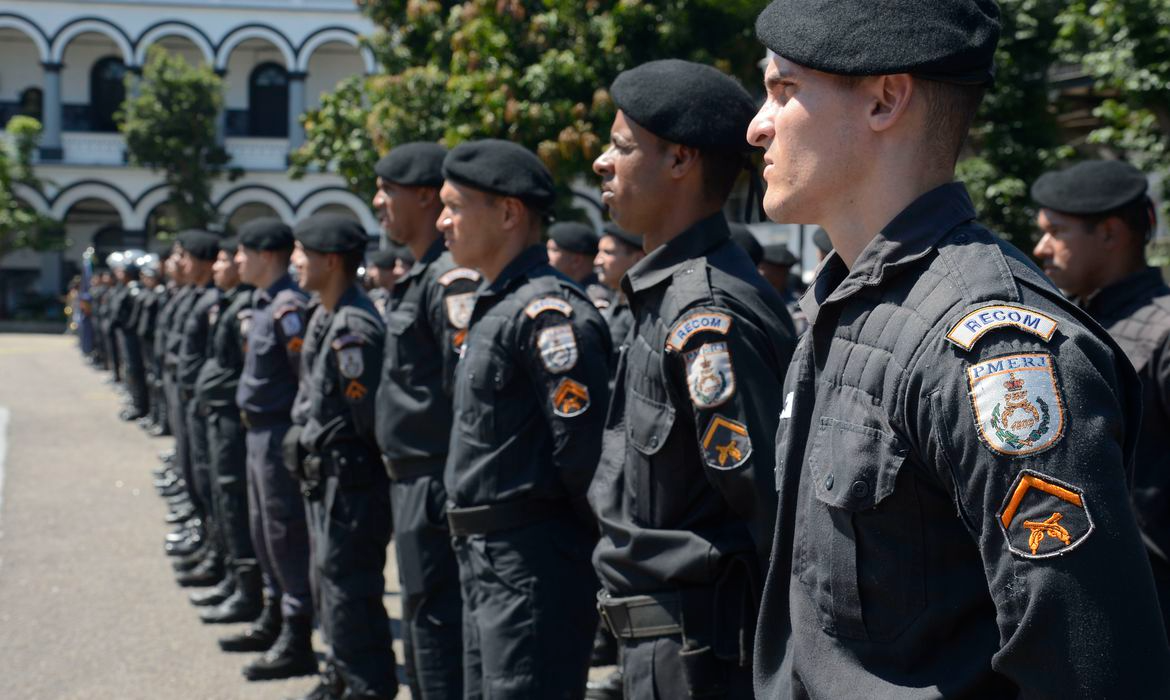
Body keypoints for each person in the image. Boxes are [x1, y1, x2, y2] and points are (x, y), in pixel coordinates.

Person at [748, 1, 1170, 696]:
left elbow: (1088, 669)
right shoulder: (841, 306)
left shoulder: (992, 345)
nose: (757, 126)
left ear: (885, 99)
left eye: (783, 90)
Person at [588, 59, 796, 700]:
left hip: (703, 659)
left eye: (621, 147)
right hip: (668, 648)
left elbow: (773, 514)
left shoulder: (706, 313)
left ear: (679, 160)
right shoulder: (670, 293)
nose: (601, 161)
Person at [438, 139, 612, 699]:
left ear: (509, 213)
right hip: (486, 558)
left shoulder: (549, 316)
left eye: (454, 206)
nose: (442, 221)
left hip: (530, 565)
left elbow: (582, 456)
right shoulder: (497, 303)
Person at [1032, 158, 1170, 634]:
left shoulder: (1162, 332)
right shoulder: (1070, 324)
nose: (1041, 248)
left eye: (1056, 231)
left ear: (1110, 234)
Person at [372, 142, 476, 699]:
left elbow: (465, 393)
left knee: (437, 622)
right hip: (412, 475)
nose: (377, 202)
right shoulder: (422, 274)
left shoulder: (449, 280)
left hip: (436, 478)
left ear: (422, 195)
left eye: (387, 191)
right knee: (420, 617)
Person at [286, 214, 397, 700]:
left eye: (301, 252)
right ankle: (344, 671)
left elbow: (367, 418)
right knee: (330, 582)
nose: (294, 261)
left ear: (330, 261)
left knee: (351, 586)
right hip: (327, 478)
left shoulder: (354, 326)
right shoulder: (326, 313)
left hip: (353, 483)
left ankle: (367, 685)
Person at [230, 218, 317, 680]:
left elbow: (306, 376)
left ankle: (297, 631)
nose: (237, 259)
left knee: (285, 535)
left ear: (266, 255)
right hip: (256, 431)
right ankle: (275, 613)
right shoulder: (264, 302)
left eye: (243, 251)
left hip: (278, 434)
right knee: (263, 532)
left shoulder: (289, 307)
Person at [194, 237, 262, 625]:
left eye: (230, 258)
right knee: (220, 494)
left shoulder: (247, 308)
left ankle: (248, 590)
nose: (226, 264)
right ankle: (234, 575)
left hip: (235, 421)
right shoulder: (232, 304)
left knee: (235, 500)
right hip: (218, 415)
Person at [176, 233, 225, 589]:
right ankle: (208, 539)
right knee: (195, 472)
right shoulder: (198, 296)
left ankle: (218, 554)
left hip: (205, 401)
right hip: (191, 395)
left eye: (186, 256)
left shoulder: (213, 302)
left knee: (212, 482)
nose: (179, 262)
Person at [594, 223, 644, 362]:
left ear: (637, 259)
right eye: (599, 252)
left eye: (608, 252)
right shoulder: (616, 301)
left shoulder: (644, 311)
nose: (597, 261)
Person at [547, 221, 611, 308]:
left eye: (554, 250)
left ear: (576, 260)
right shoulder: (569, 290)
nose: (546, 256)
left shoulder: (594, 299)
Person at [758, 243, 806, 334]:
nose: (759, 272)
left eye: (762, 268)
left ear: (780, 272)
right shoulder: (756, 296)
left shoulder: (798, 305)